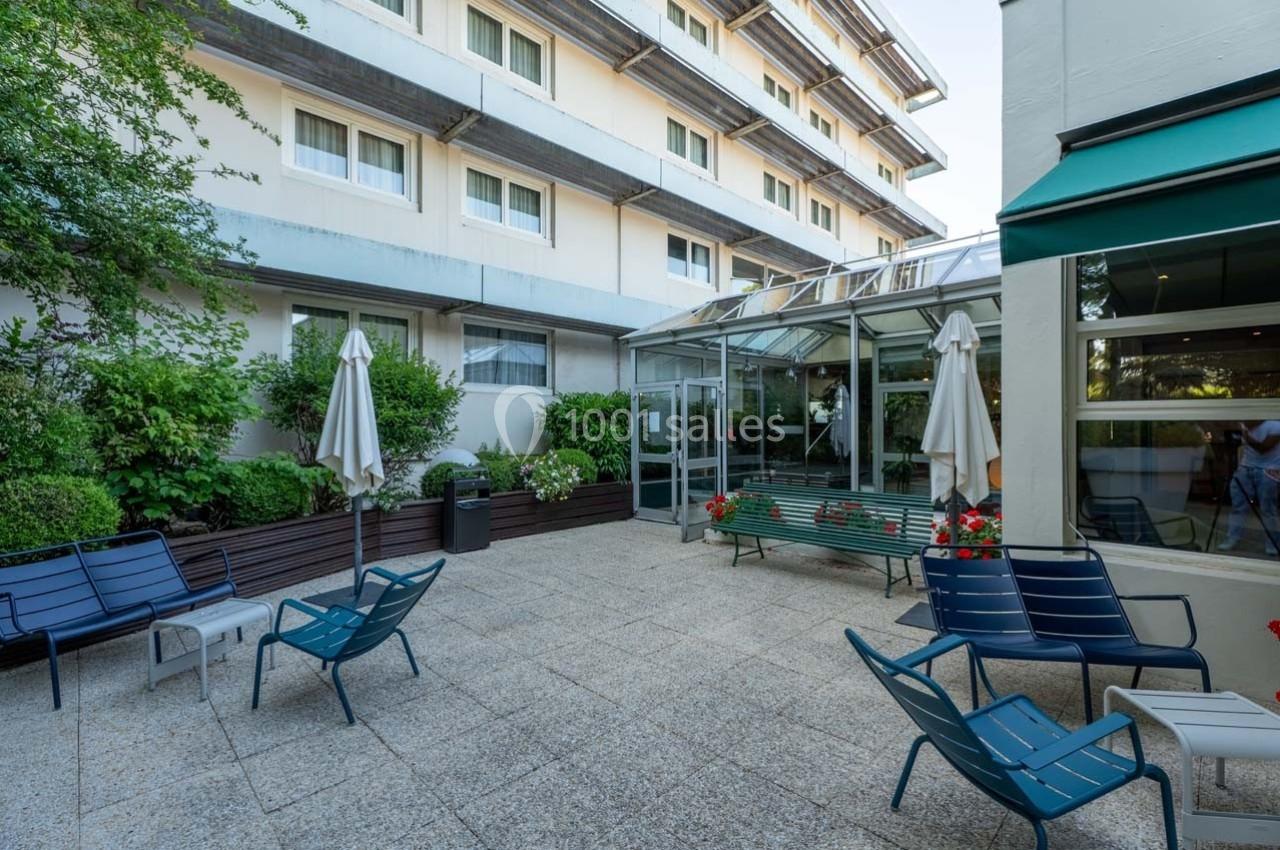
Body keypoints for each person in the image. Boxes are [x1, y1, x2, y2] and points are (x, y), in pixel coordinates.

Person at [1219, 420, 1280, 556]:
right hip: (1246, 468)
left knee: (1268, 509)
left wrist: (1245, 435)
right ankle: (1232, 538)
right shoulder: (1244, 426)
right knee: (1238, 507)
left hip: (1268, 470)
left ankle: (1272, 544)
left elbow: (1263, 448)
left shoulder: (1275, 425)